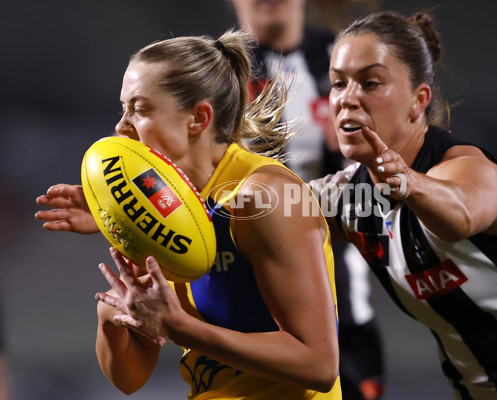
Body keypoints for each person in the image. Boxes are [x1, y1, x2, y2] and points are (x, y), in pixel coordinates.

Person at [307, 10, 497, 399]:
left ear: (418, 100)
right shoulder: (354, 196)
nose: (347, 99)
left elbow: (459, 214)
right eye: (338, 83)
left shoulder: (471, 170)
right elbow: (268, 206)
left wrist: (407, 183)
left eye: (370, 82)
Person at [36, 29, 342, 399]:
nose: (121, 126)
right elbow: (129, 379)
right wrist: (117, 315)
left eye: (140, 109)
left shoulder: (266, 197)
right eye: (123, 109)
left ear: (198, 118)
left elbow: (319, 365)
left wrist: (179, 327)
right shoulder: (164, 208)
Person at [230, 1, 386, 398]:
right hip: (245, 285)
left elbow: (386, 177)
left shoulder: (349, 60)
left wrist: (360, 150)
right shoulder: (215, 72)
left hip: (342, 290)